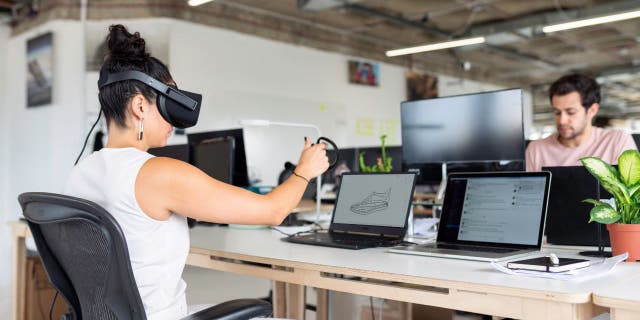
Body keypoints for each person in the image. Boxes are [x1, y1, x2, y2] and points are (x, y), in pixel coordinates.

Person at [63, 24, 329, 320]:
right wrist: (305, 170)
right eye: (167, 103)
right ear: (140, 105)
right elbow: (273, 211)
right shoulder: (158, 173)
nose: (173, 122)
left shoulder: (79, 174)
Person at [526, 73, 636, 172]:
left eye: (571, 112)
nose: (562, 120)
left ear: (592, 110)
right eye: (557, 112)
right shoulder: (537, 149)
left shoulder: (617, 142)